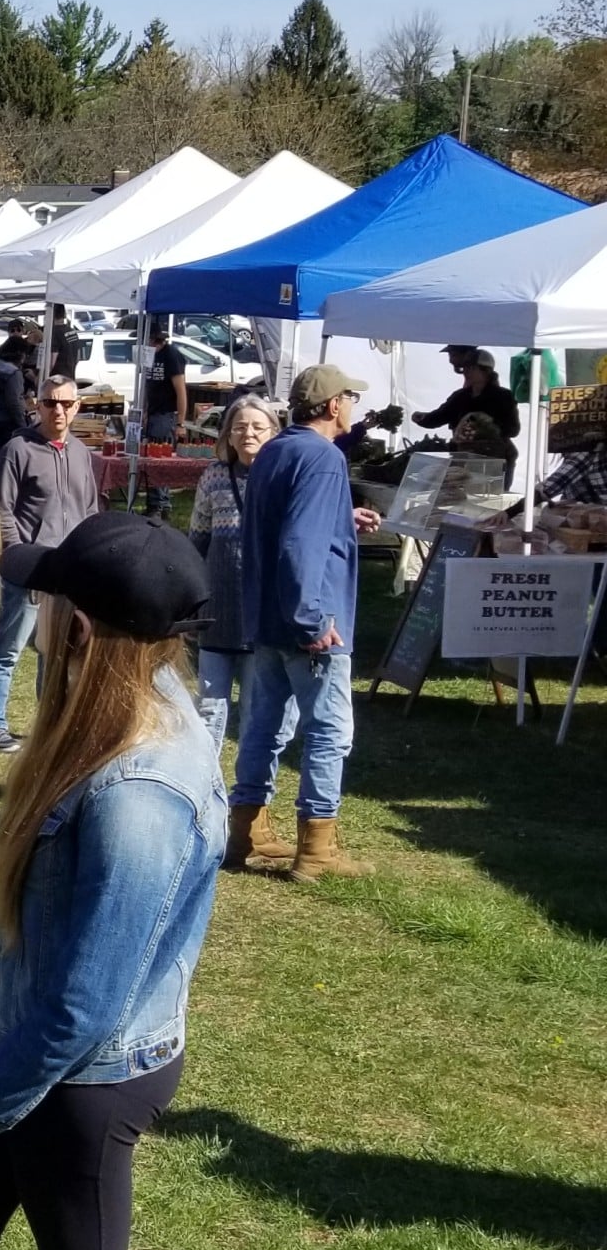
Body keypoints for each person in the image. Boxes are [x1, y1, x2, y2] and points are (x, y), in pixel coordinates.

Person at [0, 512, 225, 1250]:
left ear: (75, 624)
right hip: (29, 1050)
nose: (31, 612)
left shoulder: (139, 789)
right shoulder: (109, 719)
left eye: (44, 597)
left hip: (85, 1081)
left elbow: (87, 1002)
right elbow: (24, 906)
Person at [229, 365, 381, 883]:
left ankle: (245, 832)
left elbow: (282, 526)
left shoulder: (276, 450)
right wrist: (312, 620)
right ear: (334, 404)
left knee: (263, 729)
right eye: (350, 398)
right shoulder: (323, 457)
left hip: (267, 618)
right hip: (307, 623)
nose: (353, 408)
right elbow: (298, 546)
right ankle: (316, 850)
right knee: (329, 732)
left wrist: (342, 519)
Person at [0, 374, 101, 755]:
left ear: (77, 407)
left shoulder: (82, 453)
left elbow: (89, 510)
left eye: (66, 403)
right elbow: (0, 509)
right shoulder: (18, 449)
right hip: (30, 569)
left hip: (68, 573)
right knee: (10, 648)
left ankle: (49, 724)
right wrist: (20, 558)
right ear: (38, 405)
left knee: (56, 654)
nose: (59, 410)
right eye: (51, 402)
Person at [189, 397, 290, 762]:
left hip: (262, 613)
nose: (248, 434)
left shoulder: (283, 475)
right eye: (240, 427)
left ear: (274, 433)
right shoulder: (214, 475)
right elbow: (197, 540)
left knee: (256, 707)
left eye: (257, 427)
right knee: (210, 708)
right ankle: (203, 781)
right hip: (218, 610)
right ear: (228, 435)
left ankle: (251, 790)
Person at [416, 346, 522, 480]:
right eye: (465, 368)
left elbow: (513, 429)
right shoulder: (460, 396)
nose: (466, 372)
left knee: (493, 498)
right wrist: (423, 418)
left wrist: (485, 426)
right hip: (463, 457)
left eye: (472, 368)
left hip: (495, 458)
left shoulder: (503, 397)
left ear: (486, 371)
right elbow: (440, 416)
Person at [137, 328, 189, 517]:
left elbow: (181, 390)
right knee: (152, 458)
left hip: (166, 414)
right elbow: (146, 384)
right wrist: (143, 409)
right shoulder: (149, 355)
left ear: (156, 340)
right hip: (153, 412)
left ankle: (159, 504)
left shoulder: (171, 355)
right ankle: (157, 502)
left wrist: (180, 422)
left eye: (150, 341)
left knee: (159, 459)